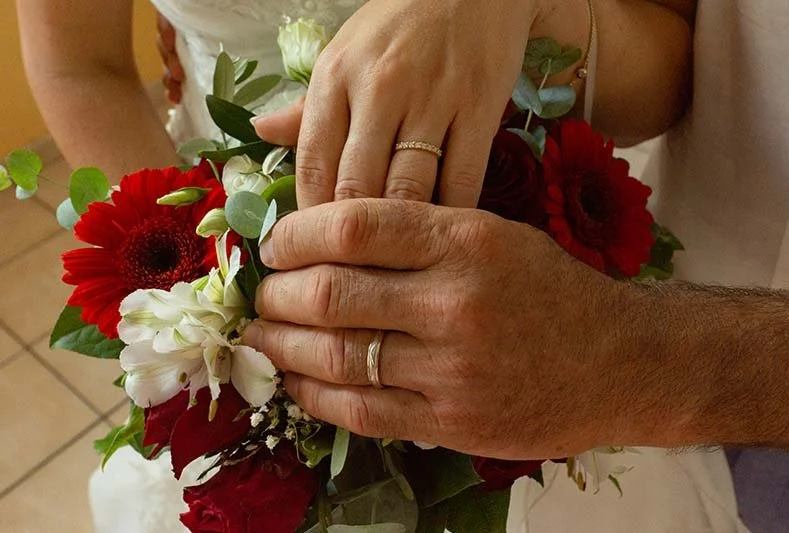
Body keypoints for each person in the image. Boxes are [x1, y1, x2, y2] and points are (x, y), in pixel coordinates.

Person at [16, 0, 748, 532]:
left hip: (526, 276)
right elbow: (84, 65)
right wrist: (209, 286)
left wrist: (519, 9)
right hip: (234, 290)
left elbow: (670, 71)